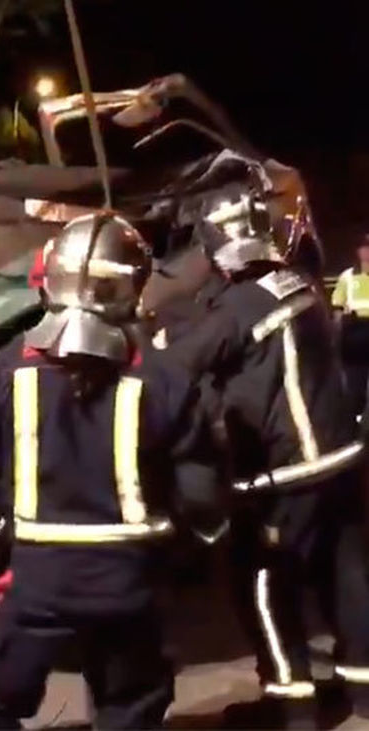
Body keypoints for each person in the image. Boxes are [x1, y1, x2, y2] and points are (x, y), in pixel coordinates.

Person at [0, 213, 229, 730]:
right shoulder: (165, 377)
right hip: (128, 587)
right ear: (133, 287)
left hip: (35, 584)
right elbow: (202, 496)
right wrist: (194, 555)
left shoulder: (10, 365)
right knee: (129, 709)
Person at [160, 184, 369, 729]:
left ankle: (293, 704)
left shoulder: (241, 304)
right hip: (341, 462)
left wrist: (150, 344)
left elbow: (176, 367)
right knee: (345, 579)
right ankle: (363, 692)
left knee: (264, 586)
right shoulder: (298, 281)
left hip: (284, 477)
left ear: (213, 248)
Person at [331, 236, 369, 418]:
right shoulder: (347, 277)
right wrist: (336, 339)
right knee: (355, 385)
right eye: (365, 248)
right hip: (355, 335)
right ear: (358, 252)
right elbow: (337, 309)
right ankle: (356, 419)